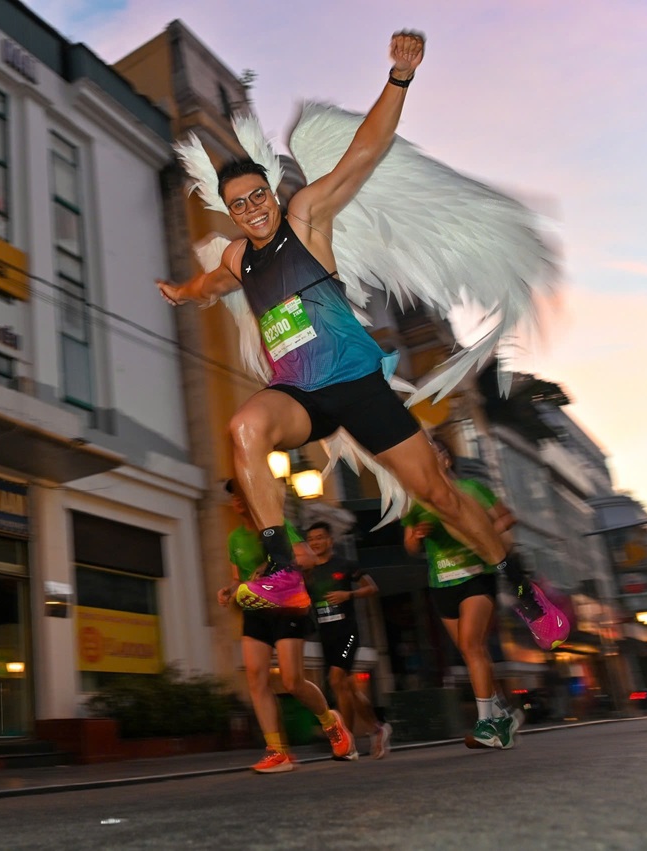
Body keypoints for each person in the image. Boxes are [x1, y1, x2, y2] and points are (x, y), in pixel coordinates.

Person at [156, 29, 569, 652]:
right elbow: (212, 284)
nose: (252, 210)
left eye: (258, 196)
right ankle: (282, 570)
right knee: (244, 427)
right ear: (230, 213)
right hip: (300, 394)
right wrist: (185, 293)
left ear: (271, 191)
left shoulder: (306, 220)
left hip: (358, 385)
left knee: (440, 496)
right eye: (238, 206)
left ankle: (522, 582)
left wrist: (399, 77)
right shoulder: (240, 257)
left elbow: (364, 153)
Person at [218, 479, 357, 771]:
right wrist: (230, 590)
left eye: (242, 493)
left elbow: (306, 558)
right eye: (234, 496)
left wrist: (269, 568)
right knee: (256, 678)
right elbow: (237, 578)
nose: (238, 500)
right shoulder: (235, 539)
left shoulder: (276, 527)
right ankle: (278, 751)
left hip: (287, 607)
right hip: (256, 610)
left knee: (293, 680)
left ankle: (332, 724)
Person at [402, 440, 520, 749]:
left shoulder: (470, 488)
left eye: (433, 453)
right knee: (472, 653)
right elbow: (411, 547)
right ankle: (503, 717)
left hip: (477, 576)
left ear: (446, 459)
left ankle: (485, 723)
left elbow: (508, 517)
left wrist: (481, 531)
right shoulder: (418, 500)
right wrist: (417, 534)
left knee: (471, 645)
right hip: (441, 583)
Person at [302, 521, 392, 758]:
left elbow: (371, 587)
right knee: (348, 686)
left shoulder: (345, 565)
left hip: (347, 631)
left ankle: (347, 741)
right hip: (325, 634)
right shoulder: (308, 572)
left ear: (330, 540)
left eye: (320, 537)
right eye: (311, 539)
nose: (315, 542)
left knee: (336, 679)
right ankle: (377, 729)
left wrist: (347, 594)